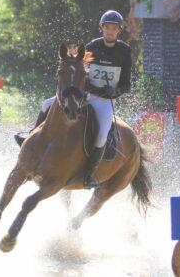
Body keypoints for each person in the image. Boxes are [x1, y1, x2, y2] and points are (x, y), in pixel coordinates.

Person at [14, 10, 133, 189]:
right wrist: (85, 89)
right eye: (107, 27)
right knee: (46, 104)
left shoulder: (125, 51)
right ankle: (30, 138)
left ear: (119, 30)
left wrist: (114, 91)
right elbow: (78, 72)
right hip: (84, 95)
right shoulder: (93, 46)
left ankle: (90, 173)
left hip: (104, 101)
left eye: (114, 28)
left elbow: (126, 83)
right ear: (102, 29)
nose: (110, 31)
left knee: (101, 135)